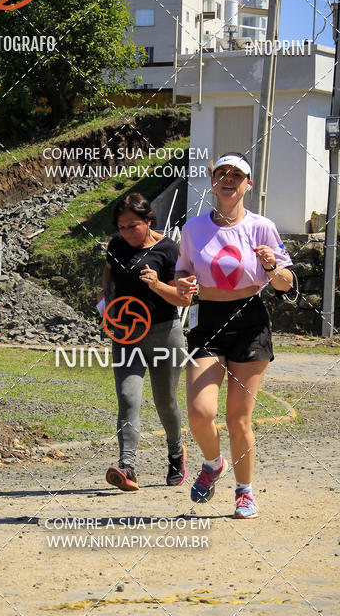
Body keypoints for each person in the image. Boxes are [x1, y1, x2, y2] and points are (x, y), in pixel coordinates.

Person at [175, 153, 293, 518]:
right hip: (207, 320)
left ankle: (245, 492)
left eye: (237, 174)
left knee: (238, 419)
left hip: (249, 320)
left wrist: (272, 265)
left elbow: (286, 286)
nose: (228, 179)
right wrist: (182, 283)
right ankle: (213, 464)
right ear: (212, 181)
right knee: (199, 412)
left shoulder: (262, 227)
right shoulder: (193, 228)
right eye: (221, 173)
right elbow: (181, 270)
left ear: (248, 184)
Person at [101, 193, 190, 492]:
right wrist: (106, 302)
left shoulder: (168, 249)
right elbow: (109, 275)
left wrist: (156, 284)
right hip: (126, 335)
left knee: (165, 402)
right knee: (128, 398)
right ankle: (127, 466)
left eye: (133, 226)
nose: (126, 233)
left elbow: (182, 297)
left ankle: (176, 454)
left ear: (148, 220)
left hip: (165, 333)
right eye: (122, 227)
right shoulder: (116, 246)